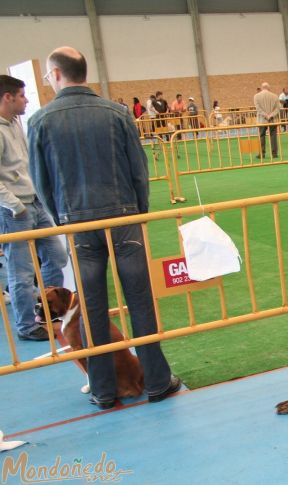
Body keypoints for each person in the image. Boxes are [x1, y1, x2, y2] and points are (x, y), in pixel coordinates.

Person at [28, 46, 180, 409]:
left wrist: (61, 217)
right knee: (140, 302)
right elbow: (138, 170)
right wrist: (137, 214)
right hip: (123, 218)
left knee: (91, 309)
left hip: (77, 222)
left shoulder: (41, 120)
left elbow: (41, 181)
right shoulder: (118, 113)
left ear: (56, 74)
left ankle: (103, 389)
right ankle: (157, 381)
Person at [0, 75, 67, 342]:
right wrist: (16, 206)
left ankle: (52, 310)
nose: (27, 100)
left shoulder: (16, 123)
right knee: (21, 272)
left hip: (35, 203)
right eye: (22, 95)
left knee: (56, 257)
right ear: (8, 97)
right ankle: (27, 326)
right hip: (14, 211)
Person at [253, 82, 280, 159]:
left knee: (261, 136)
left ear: (262, 88)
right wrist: (270, 115)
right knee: (273, 136)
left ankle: (262, 153)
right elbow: (278, 109)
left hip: (261, 120)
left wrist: (265, 115)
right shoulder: (275, 96)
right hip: (273, 120)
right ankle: (274, 154)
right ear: (269, 88)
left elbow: (258, 108)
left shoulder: (256, 96)